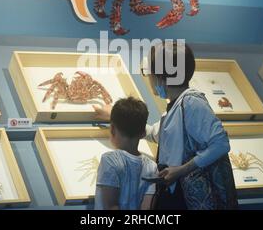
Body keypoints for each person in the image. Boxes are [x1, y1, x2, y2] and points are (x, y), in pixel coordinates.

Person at [94, 42, 238, 210]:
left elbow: (221, 143)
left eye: (149, 72)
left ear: (162, 78)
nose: (148, 77)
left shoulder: (191, 103)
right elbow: (158, 133)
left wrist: (182, 170)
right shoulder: (176, 106)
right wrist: (117, 115)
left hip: (190, 200)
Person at [94, 97, 158, 210]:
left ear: (112, 129)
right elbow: (147, 208)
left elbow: (111, 207)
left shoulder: (110, 160)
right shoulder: (152, 167)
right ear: (143, 133)